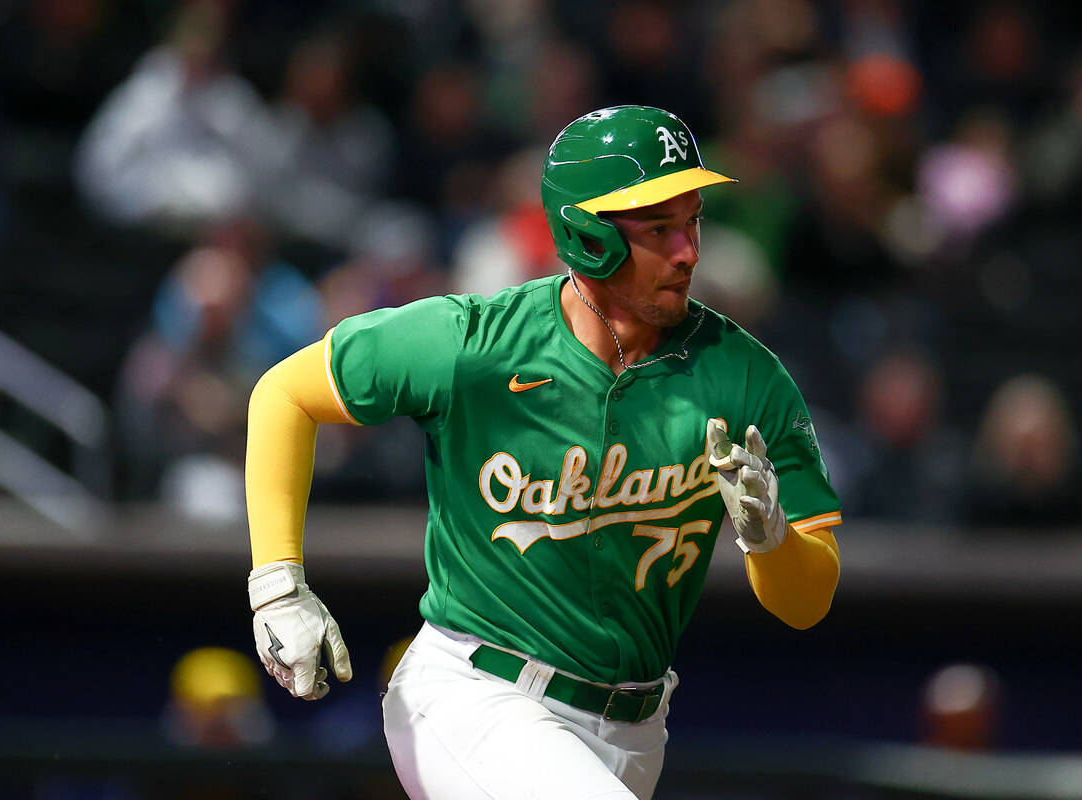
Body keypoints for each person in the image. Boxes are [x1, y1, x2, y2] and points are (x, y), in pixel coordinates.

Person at [243, 105, 842, 799]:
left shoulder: (745, 377)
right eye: (658, 228)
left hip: (639, 729)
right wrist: (277, 585)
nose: (688, 251)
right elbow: (283, 392)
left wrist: (769, 541)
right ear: (589, 237)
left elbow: (807, 603)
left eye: (692, 221)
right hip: (477, 694)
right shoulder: (477, 344)